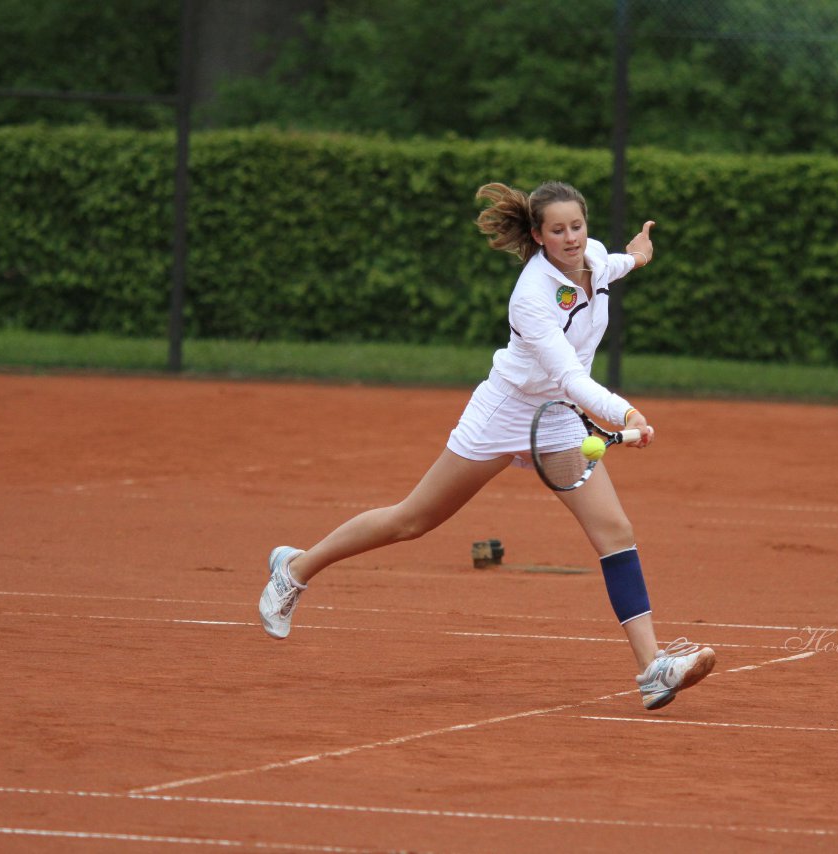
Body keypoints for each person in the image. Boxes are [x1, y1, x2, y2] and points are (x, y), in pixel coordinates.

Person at [259, 180, 715, 710]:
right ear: (539, 237)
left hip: (558, 422)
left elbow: (609, 265)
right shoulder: (531, 296)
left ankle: (652, 669)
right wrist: (624, 412)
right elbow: (569, 376)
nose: (571, 238)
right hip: (506, 411)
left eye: (577, 226)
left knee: (614, 531)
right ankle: (295, 570)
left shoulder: (591, 256)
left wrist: (636, 257)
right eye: (558, 230)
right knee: (413, 520)